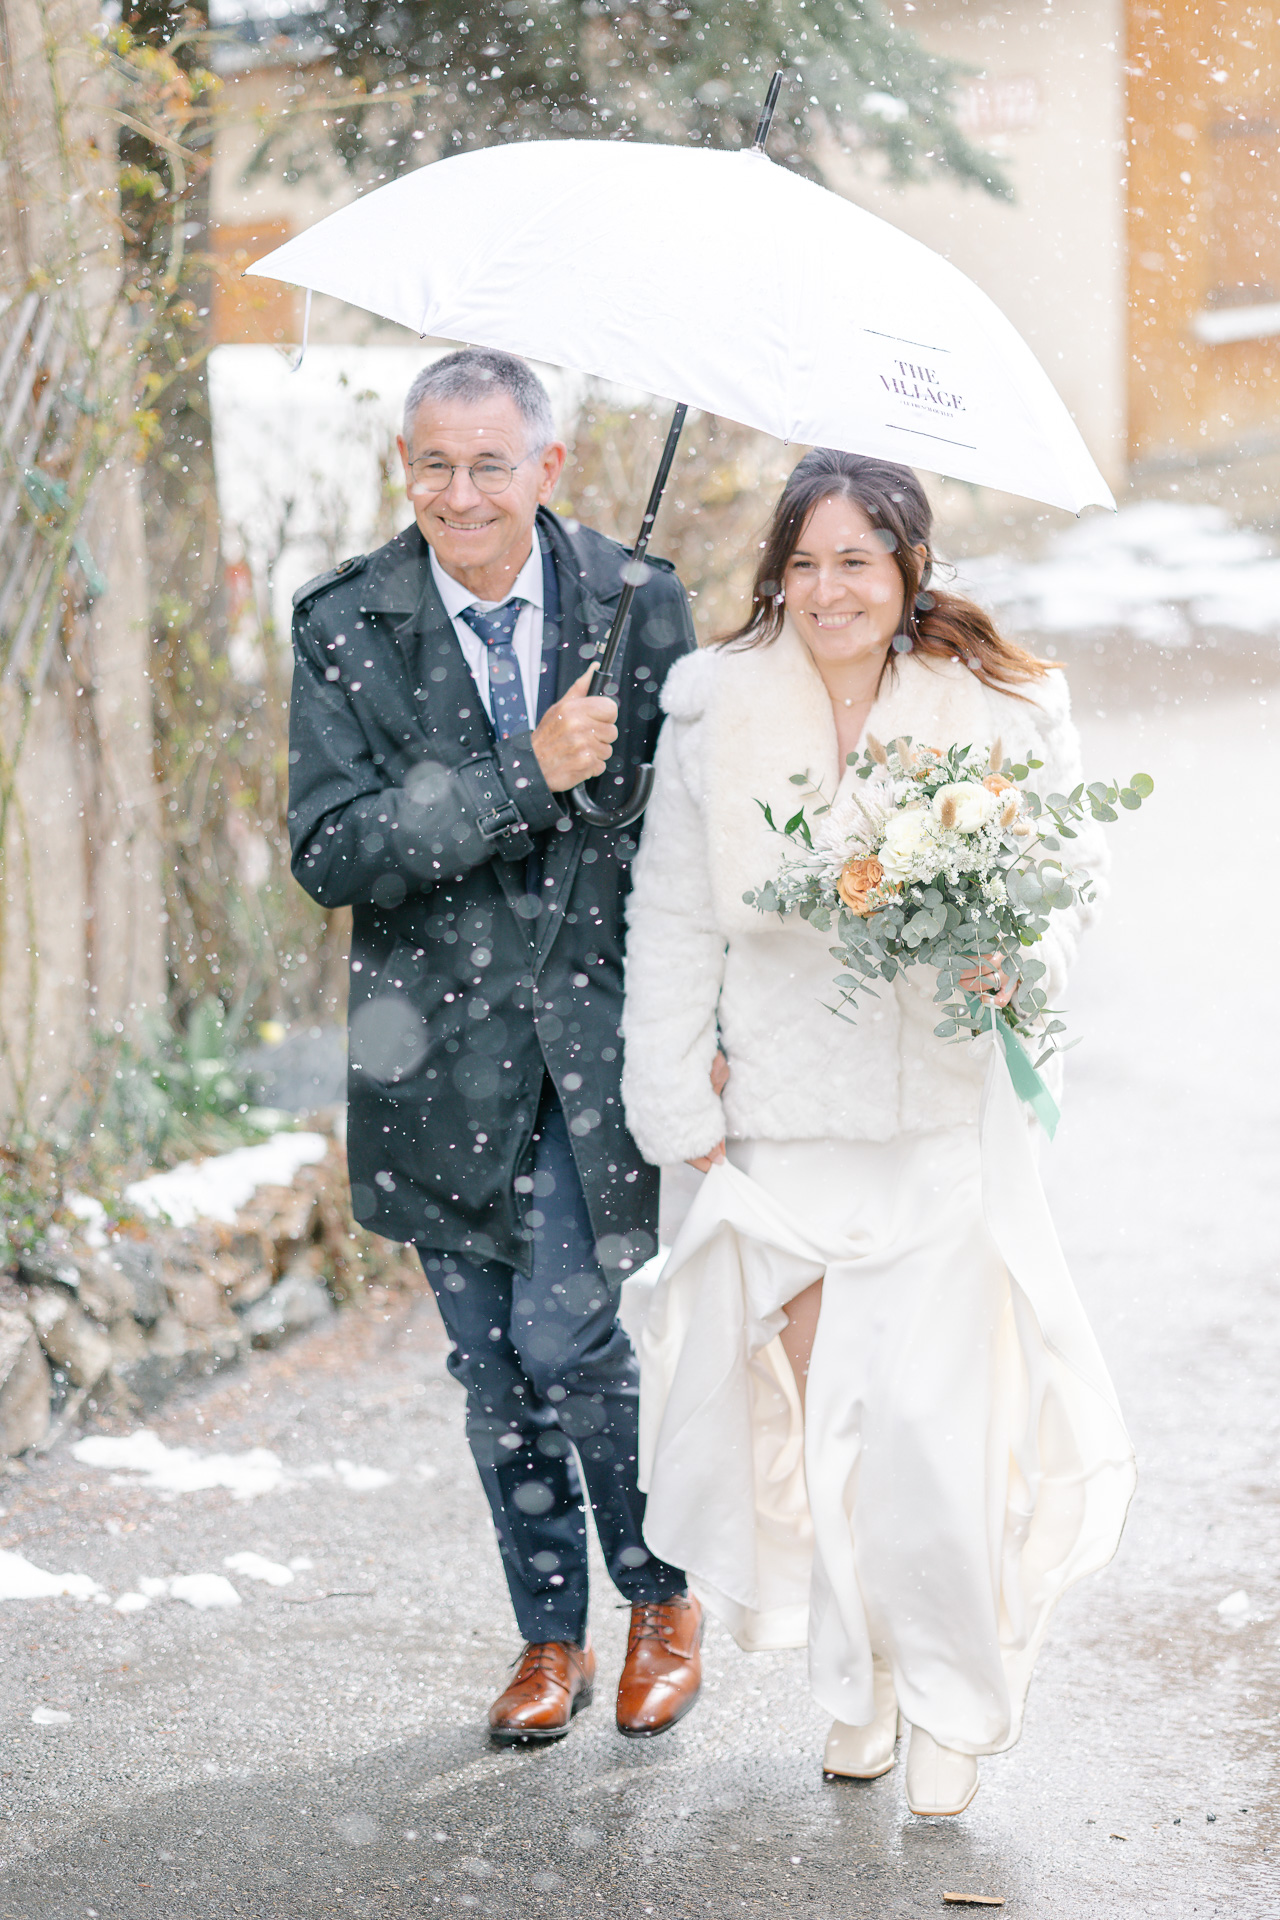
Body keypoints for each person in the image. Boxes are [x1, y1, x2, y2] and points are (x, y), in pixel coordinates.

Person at [619, 450, 1135, 1814]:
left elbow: (1063, 889)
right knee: (832, 1428)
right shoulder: (719, 708)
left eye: (859, 559)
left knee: (927, 1428)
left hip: (939, 1122)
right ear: (776, 573)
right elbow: (670, 912)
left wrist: (1016, 963)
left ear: (911, 569)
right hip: (781, 1127)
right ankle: (865, 1682)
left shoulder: (1009, 704)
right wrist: (677, 1104)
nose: (830, 587)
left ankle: (960, 1697)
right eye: (807, 561)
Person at [287, 347, 704, 1745]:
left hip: (591, 1050)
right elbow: (334, 850)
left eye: (487, 463)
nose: (458, 494)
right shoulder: (346, 622)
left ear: (549, 468)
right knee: (492, 1363)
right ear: (405, 463)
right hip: (436, 1061)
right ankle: (547, 1639)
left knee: (568, 1334)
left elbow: (683, 842)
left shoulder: (639, 607)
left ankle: (656, 1594)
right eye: (432, 463)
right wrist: (524, 771)